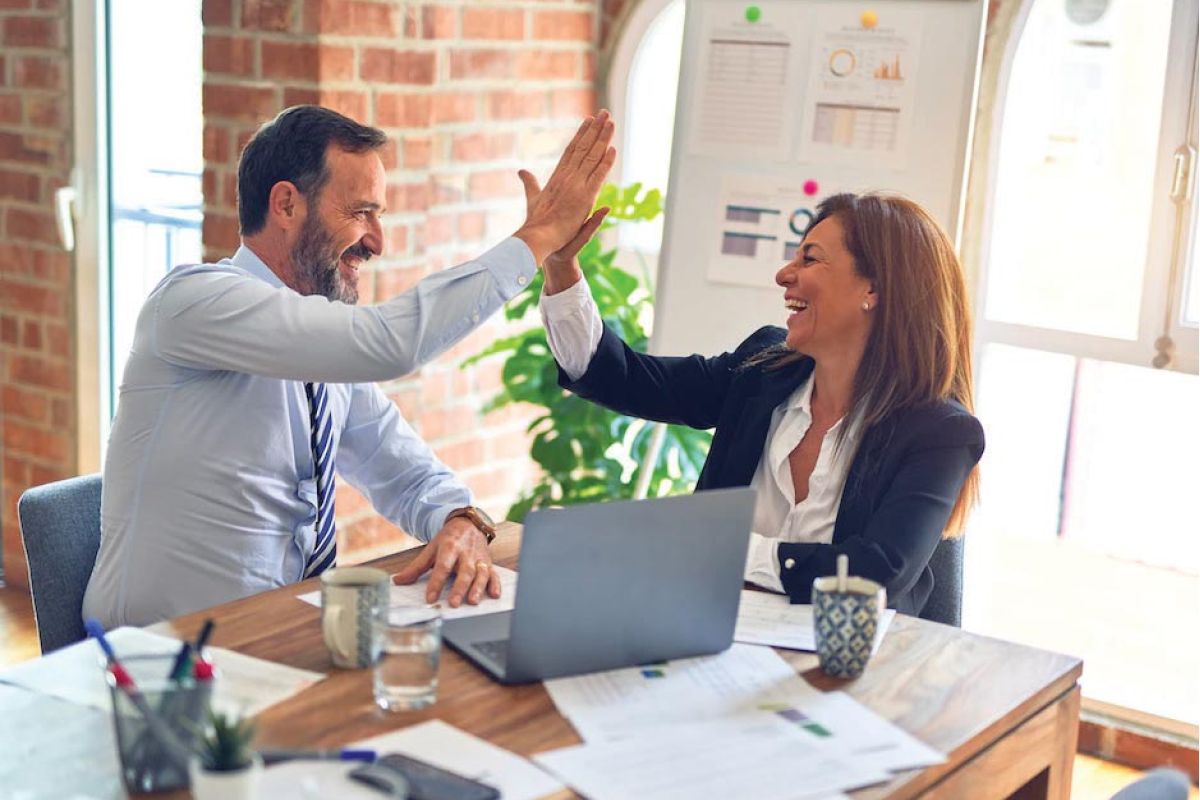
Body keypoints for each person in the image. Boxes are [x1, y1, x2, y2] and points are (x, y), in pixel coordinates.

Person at [83, 105, 615, 627]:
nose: (377, 242)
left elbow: (404, 471)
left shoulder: (321, 353)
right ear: (287, 205)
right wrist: (539, 237)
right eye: (362, 212)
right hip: (157, 659)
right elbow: (390, 344)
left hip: (280, 637)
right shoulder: (194, 302)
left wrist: (461, 519)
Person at [538, 192, 984, 615]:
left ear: (874, 290)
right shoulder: (763, 370)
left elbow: (874, 575)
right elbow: (624, 378)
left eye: (809, 258)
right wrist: (561, 265)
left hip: (851, 670)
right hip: (711, 636)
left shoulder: (939, 432)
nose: (784, 274)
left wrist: (723, 549)